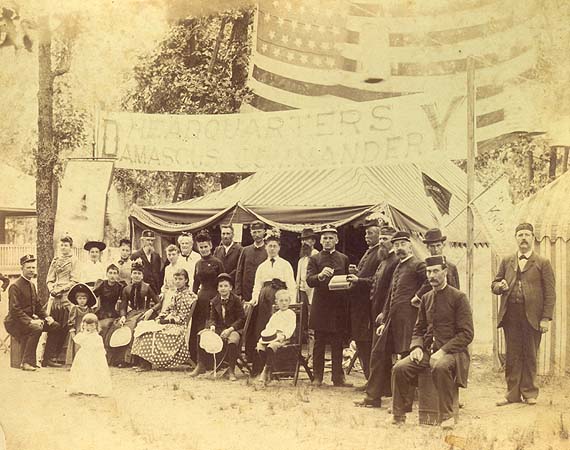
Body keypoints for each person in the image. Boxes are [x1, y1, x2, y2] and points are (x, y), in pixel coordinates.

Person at [390, 255, 474, 429]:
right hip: (429, 352)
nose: (431, 275)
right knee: (400, 367)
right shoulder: (426, 298)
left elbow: (467, 334)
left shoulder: (459, 298)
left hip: (454, 353)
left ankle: (447, 417)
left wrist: (443, 351)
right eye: (428, 272)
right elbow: (418, 329)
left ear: (445, 272)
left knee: (441, 366)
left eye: (436, 271)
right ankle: (398, 414)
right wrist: (417, 347)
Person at [355, 230, 431, 407]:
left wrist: (418, 297)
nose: (399, 248)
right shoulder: (397, 266)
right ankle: (372, 398)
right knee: (378, 354)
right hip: (391, 319)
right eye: (396, 245)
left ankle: (405, 403)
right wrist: (384, 314)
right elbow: (391, 293)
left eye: (402, 244)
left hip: (408, 320)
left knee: (406, 358)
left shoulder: (417, 264)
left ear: (409, 246)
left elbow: (429, 281)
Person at [491, 222, 555, 406]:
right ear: (516, 238)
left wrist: (545, 318)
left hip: (533, 317)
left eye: (527, 234)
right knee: (512, 355)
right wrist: (499, 286)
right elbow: (494, 285)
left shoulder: (543, 262)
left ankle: (529, 393)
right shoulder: (506, 261)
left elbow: (550, 293)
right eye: (520, 235)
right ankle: (511, 394)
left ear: (533, 238)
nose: (524, 238)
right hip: (511, 315)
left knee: (529, 354)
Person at [306, 224, 352, 388]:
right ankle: (317, 377)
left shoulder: (343, 258)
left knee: (337, 343)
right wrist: (319, 276)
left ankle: (337, 378)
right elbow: (309, 281)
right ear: (320, 240)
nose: (327, 240)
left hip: (338, 307)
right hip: (321, 306)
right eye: (324, 237)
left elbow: (348, 280)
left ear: (337, 240)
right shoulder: (315, 259)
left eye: (331, 237)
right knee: (319, 343)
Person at [249, 228, 296, 375]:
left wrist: (291, 303)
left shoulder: (285, 264)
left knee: (279, 328)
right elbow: (257, 285)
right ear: (265, 247)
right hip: (264, 299)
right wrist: (254, 299)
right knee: (265, 328)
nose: (272, 248)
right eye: (269, 246)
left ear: (279, 247)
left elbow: (291, 284)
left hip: (280, 297)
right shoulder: (262, 266)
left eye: (275, 246)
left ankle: (279, 368)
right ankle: (262, 367)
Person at [131, 268, 197, 371]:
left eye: (180, 279)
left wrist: (166, 321)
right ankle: (143, 362)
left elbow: (182, 318)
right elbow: (168, 309)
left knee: (149, 333)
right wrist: (160, 317)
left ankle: (147, 364)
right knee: (143, 326)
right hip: (170, 321)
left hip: (178, 326)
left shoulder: (188, 296)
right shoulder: (176, 293)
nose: (178, 281)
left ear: (186, 280)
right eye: (176, 279)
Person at [4, 255, 57, 371]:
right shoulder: (15, 286)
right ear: (22, 268)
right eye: (28, 268)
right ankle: (26, 362)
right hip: (15, 322)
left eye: (33, 268)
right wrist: (31, 321)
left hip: (27, 320)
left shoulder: (32, 285)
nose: (32, 270)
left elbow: (38, 306)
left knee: (55, 326)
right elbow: (14, 310)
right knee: (36, 328)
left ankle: (47, 359)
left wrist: (47, 317)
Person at [346, 218, 382, 380]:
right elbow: (366, 273)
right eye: (366, 233)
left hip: (368, 307)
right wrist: (356, 271)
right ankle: (370, 379)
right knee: (361, 341)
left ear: (379, 235)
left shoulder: (380, 253)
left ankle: (373, 380)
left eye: (371, 233)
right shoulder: (369, 251)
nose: (367, 236)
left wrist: (358, 280)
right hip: (359, 306)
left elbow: (377, 280)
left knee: (367, 343)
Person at [190, 273, 245, 380]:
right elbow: (212, 318)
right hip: (219, 328)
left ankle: (231, 370)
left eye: (225, 286)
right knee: (201, 334)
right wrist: (212, 326)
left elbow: (241, 319)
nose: (223, 289)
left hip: (234, 329)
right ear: (217, 288)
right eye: (220, 286)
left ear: (231, 287)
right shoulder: (215, 301)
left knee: (233, 340)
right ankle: (201, 365)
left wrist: (230, 329)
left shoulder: (236, 300)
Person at [107, 262, 161, 367]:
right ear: (131, 275)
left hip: (145, 313)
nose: (136, 275)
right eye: (134, 273)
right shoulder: (126, 289)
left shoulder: (147, 287)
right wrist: (123, 316)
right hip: (132, 313)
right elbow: (123, 306)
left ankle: (133, 360)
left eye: (139, 273)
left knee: (134, 326)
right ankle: (121, 358)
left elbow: (158, 302)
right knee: (120, 325)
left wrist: (151, 310)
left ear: (142, 276)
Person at [44, 235, 81, 367]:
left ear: (70, 247)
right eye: (62, 245)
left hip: (67, 296)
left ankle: (61, 355)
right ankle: (48, 356)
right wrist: (52, 288)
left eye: (66, 245)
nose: (64, 247)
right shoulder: (55, 260)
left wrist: (62, 290)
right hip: (54, 296)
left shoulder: (74, 260)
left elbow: (75, 280)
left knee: (67, 325)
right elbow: (49, 279)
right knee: (53, 325)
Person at [190, 230, 225, 363]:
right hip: (201, 299)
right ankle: (200, 361)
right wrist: (193, 297)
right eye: (201, 247)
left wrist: (219, 298)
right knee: (199, 327)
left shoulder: (217, 262)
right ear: (198, 248)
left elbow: (223, 281)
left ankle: (215, 360)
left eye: (205, 246)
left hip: (214, 298)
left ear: (210, 246)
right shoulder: (198, 264)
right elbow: (195, 282)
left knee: (212, 325)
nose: (203, 249)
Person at [256, 287, 297, 385]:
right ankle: (268, 369)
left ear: (289, 302)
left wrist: (283, 336)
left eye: (286, 300)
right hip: (272, 337)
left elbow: (291, 328)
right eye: (281, 301)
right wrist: (265, 337)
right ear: (276, 302)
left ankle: (266, 370)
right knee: (260, 347)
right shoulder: (275, 315)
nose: (283, 303)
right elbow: (268, 328)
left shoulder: (291, 314)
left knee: (271, 347)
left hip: (284, 338)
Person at [68, 313, 112, 397]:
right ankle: (80, 387)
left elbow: (100, 349)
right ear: (83, 326)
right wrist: (72, 332)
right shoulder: (82, 335)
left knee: (92, 372)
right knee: (82, 371)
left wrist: (100, 358)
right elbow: (76, 340)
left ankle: (93, 389)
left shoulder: (97, 337)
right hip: (83, 356)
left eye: (92, 326)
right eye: (86, 326)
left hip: (94, 356)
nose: (89, 328)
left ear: (96, 326)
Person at [296, 228, 319, 364]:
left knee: (312, 327)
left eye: (308, 240)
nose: (305, 242)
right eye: (303, 240)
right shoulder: (301, 259)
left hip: (313, 296)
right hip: (302, 295)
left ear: (313, 241)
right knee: (302, 326)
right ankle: (305, 356)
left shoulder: (317, 256)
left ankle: (313, 356)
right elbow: (298, 280)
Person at [92, 264, 123, 356]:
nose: (112, 275)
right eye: (110, 273)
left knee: (109, 327)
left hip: (113, 312)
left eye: (114, 273)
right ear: (106, 274)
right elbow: (93, 296)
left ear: (117, 275)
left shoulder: (120, 287)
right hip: (101, 312)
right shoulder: (102, 284)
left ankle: (107, 354)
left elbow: (123, 302)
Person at [234, 221, 267, 302]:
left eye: (259, 232)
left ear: (264, 232)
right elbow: (239, 271)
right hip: (247, 292)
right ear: (251, 233)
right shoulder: (245, 250)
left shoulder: (268, 250)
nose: (257, 235)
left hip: (263, 292)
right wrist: (238, 292)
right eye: (254, 232)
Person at [65, 283, 97, 365]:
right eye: (79, 298)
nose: (82, 300)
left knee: (87, 345)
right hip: (77, 330)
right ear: (76, 299)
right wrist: (73, 333)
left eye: (84, 298)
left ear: (87, 299)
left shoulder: (89, 309)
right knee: (77, 346)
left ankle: (87, 362)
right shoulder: (75, 309)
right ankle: (76, 363)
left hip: (88, 331)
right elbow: (71, 321)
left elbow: (93, 320)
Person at [130, 229, 162, 294]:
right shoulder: (136, 255)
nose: (150, 242)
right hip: (141, 289)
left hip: (154, 289)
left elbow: (158, 273)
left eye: (152, 240)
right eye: (148, 240)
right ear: (142, 241)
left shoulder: (156, 256)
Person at [160, 244, 183, 313]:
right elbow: (165, 284)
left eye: (173, 254)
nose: (171, 257)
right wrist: (163, 293)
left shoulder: (181, 267)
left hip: (179, 296)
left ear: (178, 255)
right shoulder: (167, 268)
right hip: (168, 295)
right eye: (169, 255)